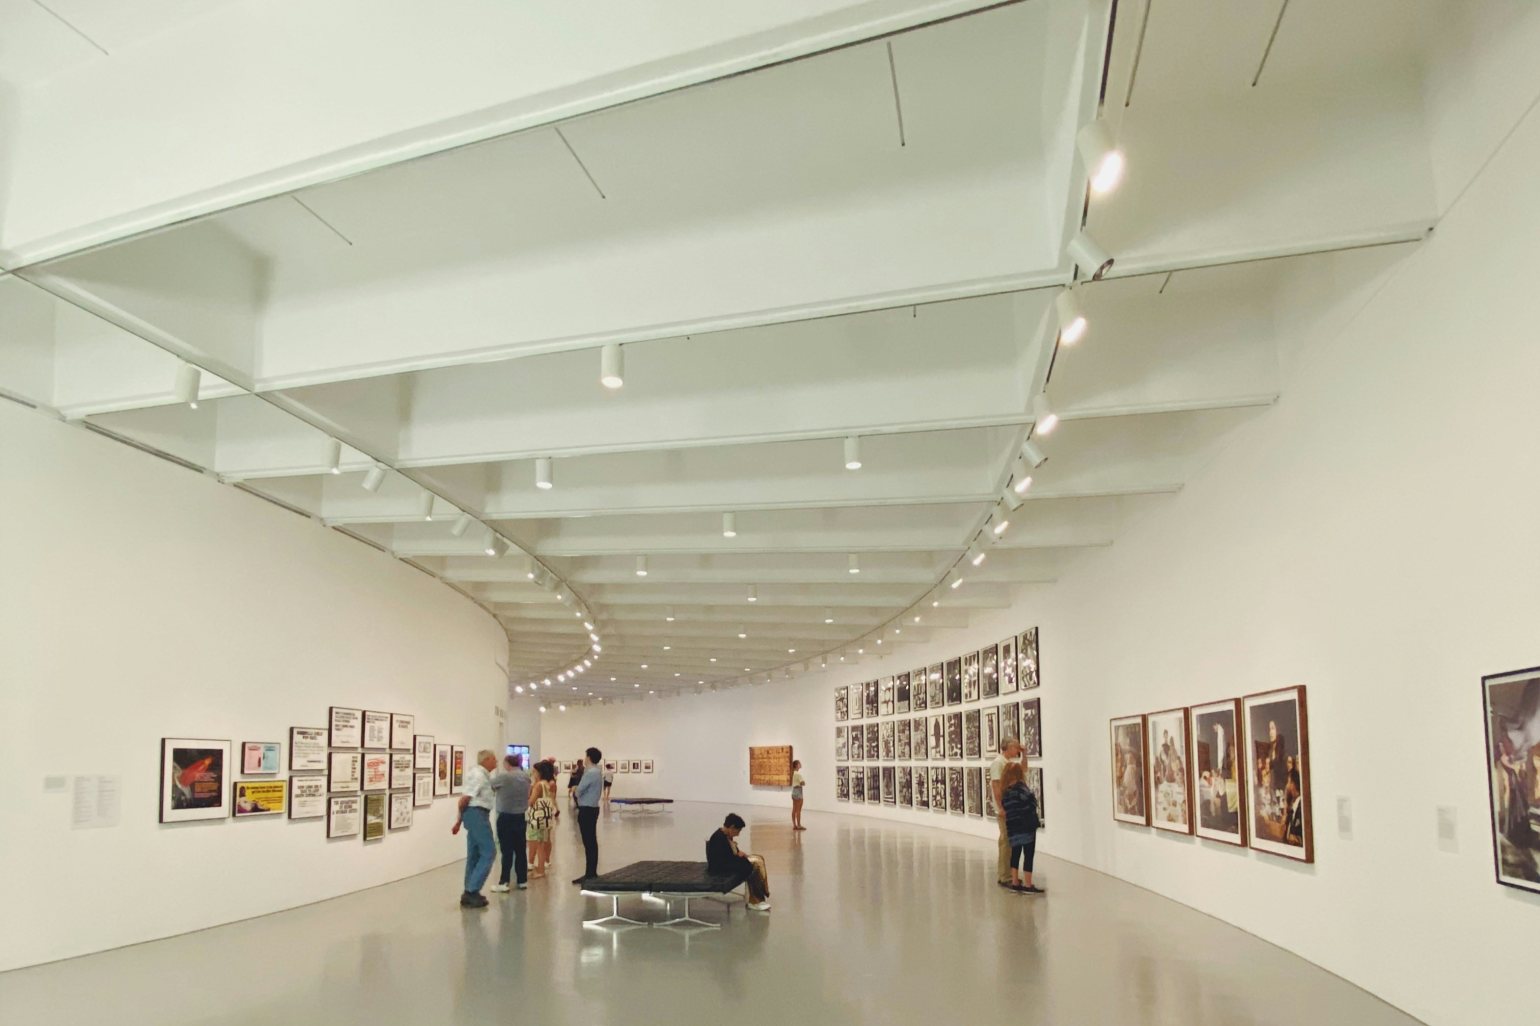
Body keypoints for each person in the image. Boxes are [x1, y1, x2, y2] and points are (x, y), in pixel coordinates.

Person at [451, 749, 498, 909]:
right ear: (486, 760)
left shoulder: (482, 774)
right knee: (489, 852)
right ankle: (472, 890)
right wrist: (458, 820)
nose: (496, 762)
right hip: (476, 814)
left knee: (475, 853)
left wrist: (460, 820)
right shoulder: (478, 775)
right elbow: (464, 799)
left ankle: (469, 889)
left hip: (476, 814)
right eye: (494, 759)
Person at [706, 813, 770, 911]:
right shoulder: (719, 838)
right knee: (753, 866)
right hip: (719, 868)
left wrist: (739, 855)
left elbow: (728, 855)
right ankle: (755, 900)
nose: (738, 834)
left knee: (759, 859)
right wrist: (740, 858)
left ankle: (760, 894)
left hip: (724, 864)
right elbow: (722, 860)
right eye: (738, 830)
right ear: (732, 827)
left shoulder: (725, 836)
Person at [489, 753, 531, 892]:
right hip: (520, 816)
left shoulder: (504, 776)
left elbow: (491, 786)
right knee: (520, 850)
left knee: (506, 850)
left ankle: (504, 881)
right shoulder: (526, 777)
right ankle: (522, 880)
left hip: (506, 817)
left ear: (508, 764)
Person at [1000, 762, 1043, 893]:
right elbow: (1032, 802)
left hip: (1013, 827)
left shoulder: (1006, 792)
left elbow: (1006, 808)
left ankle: (1014, 882)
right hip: (1026, 826)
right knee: (1028, 854)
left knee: (1015, 853)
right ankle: (1028, 884)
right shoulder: (1022, 789)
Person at [988, 738, 1023, 889]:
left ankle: (1008, 874)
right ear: (1009, 747)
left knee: (1008, 842)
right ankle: (1004, 876)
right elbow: (996, 786)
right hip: (1005, 808)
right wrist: (1002, 807)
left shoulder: (1007, 763)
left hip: (1010, 807)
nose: (1018, 750)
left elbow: (1023, 770)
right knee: (1005, 842)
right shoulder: (998, 763)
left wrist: (1025, 754)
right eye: (1016, 747)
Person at [572, 747, 603, 885]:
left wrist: (575, 790)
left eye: (585, 756)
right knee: (591, 841)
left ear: (589, 758)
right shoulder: (597, 772)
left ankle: (590, 874)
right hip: (592, 808)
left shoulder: (591, 773)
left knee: (589, 842)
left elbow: (579, 791)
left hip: (587, 809)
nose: (584, 759)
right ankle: (590, 872)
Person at [526, 761, 558, 878]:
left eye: (534, 771)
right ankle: (541, 866)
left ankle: (540, 870)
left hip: (537, 818)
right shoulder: (549, 784)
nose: (533, 773)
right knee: (542, 842)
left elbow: (531, 801)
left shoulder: (539, 785)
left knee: (538, 843)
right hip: (545, 818)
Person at [789, 759, 806, 831]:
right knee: (798, 810)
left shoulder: (792, 773)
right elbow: (802, 783)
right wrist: (803, 782)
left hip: (793, 791)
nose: (800, 764)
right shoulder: (798, 774)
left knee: (794, 809)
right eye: (799, 763)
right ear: (796, 765)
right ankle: (799, 825)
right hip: (798, 791)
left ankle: (794, 825)